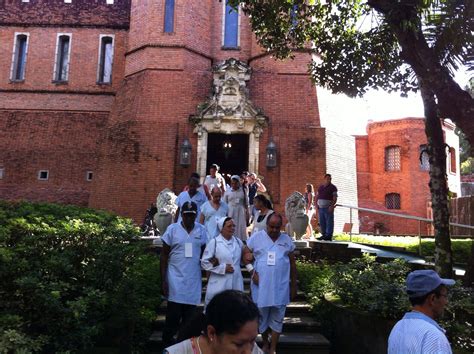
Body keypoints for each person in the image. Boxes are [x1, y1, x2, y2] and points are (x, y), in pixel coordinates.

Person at [247, 213, 297, 354]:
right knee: (262, 317)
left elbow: (293, 264)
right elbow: (245, 254)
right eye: (272, 227)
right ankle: (265, 343)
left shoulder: (286, 240)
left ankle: (273, 348)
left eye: (277, 227)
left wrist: (294, 285)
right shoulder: (256, 238)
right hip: (261, 287)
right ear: (267, 225)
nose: (274, 230)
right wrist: (252, 272)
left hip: (280, 287)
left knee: (278, 317)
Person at [160, 201, 208, 348]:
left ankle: (184, 349)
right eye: (186, 215)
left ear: (196, 215)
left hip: (193, 283)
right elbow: (164, 256)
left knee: (189, 323)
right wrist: (164, 281)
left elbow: (206, 254)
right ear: (181, 215)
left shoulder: (202, 230)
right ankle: (167, 347)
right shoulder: (172, 230)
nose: (189, 218)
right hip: (175, 281)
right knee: (172, 320)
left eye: (192, 216)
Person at [164, 290, 264, 354]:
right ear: (211, 333)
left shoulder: (254, 349)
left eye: (252, 341)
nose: (248, 352)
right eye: (238, 344)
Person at [388, 270, 455, 354]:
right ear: (433, 299)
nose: (446, 302)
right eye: (444, 296)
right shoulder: (433, 336)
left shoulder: (398, 328)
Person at [201, 217, 251, 307]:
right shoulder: (214, 242)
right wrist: (222, 268)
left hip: (236, 280)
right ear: (221, 228)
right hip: (220, 282)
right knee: (220, 308)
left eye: (233, 226)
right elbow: (204, 262)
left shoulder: (238, 241)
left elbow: (244, 254)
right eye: (229, 226)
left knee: (236, 307)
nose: (232, 228)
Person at [224, 175, 249, 241]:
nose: (234, 185)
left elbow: (246, 204)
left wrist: (248, 214)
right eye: (232, 183)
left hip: (240, 212)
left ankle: (240, 241)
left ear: (238, 183)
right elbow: (224, 203)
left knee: (240, 227)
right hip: (230, 212)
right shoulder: (228, 191)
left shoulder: (243, 191)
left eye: (235, 183)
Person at [316, 174, 338, 241]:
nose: (328, 180)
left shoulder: (333, 187)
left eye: (330, 178)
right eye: (327, 178)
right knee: (322, 222)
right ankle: (324, 235)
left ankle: (328, 236)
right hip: (320, 208)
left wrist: (332, 206)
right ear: (324, 179)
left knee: (329, 222)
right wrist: (316, 205)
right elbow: (317, 196)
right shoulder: (321, 187)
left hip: (328, 208)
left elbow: (335, 198)